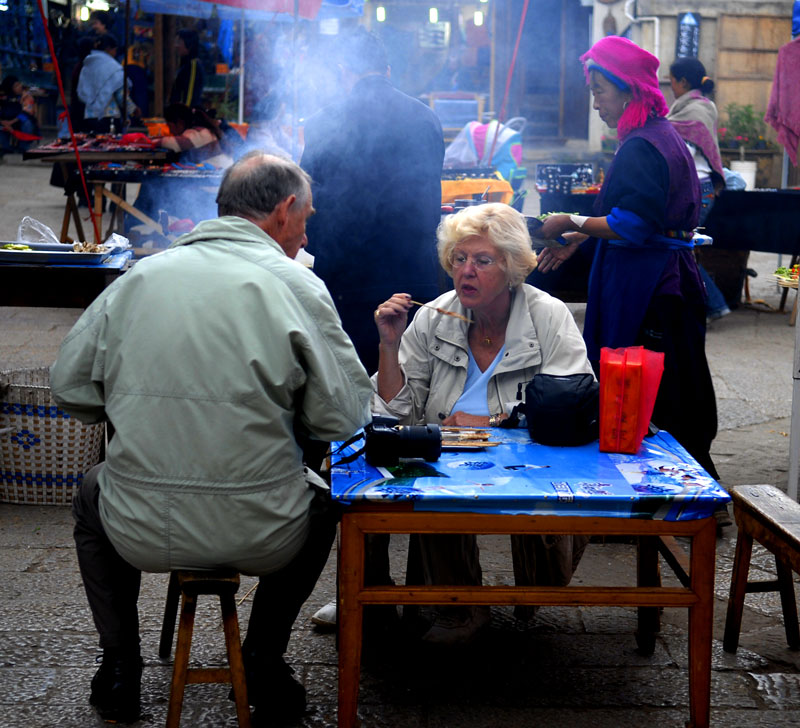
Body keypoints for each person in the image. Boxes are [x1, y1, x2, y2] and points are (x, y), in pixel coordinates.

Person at [49, 152, 373, 725]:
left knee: (92, 491)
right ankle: (264, 662)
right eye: (307, 217)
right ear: (285, 209)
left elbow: (71, 390)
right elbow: (343, 417)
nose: (305, 231)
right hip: (263, 531)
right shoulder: (298, 284)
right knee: (324, 501)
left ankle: (120, 665)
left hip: (137, 527)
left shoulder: (140, 276)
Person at [369, 202, 594, 644]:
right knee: (408, 472)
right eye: (459, 258)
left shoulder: (547, 315)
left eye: (482, 260)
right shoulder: (433, 316)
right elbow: (394, 411)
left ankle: (499, 589)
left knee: (549, 578)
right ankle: (446, 606)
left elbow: (575, 406)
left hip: (534, 467)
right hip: (449, 467)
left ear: (510, 267)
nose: (466, 271)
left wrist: (491, 423)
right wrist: (389, 344)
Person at [536, 36, 719, 480]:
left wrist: (572, 222)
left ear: (628, 90)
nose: (595, 102)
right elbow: (633, 214)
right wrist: (584, 237)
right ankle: (681, 483)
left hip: (648, 286)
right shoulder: (659, 136)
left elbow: (634, 224)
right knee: (672, 381)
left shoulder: (642, 145)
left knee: (651, 388)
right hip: (665, 278)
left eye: (600, 91)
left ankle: (676, 491)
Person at [300, 27, 445, 376]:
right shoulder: (425, 118)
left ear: (342, 71)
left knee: (347, 390)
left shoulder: (322, 123)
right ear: (387, 72)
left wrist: (321, 244)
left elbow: (306, 201)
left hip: (344, 281)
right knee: (409, 391)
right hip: (411, 279)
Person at [667, 57, 729, 321]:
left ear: (682, 82)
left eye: (671, 81)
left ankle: (713, 303)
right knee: (679, 245)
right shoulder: (692, 106)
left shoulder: (697, 109)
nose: (670, 87)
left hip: (697, 190)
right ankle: (708, 304)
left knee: (678, 245)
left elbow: (686, 153)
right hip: (695, 188)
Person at [77, 33, 138, 134]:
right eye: (115, 50)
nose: (115, 53)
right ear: (109, 49)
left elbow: (81, 92)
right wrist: (133, 109)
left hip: (89, 116)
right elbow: (121, 95)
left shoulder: (87, 66)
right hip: (109, 117)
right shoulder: (112, 67)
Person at [0, 75, 39, 158]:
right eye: (16, 86)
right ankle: (6, 148)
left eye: (19, 84)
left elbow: (27, 113)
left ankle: (23, 147)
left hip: (20, 122)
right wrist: (3, 122)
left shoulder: (26, 96)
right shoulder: (3, 97)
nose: (20, 86)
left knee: (27, 122)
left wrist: (11, 122)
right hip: (5, 122)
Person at [169, 28, 205, 110]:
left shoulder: (193, 66)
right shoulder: (186, 64)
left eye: (179, 42)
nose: (176, 46)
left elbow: (190, 97)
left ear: (189, 44)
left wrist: (183, 117)